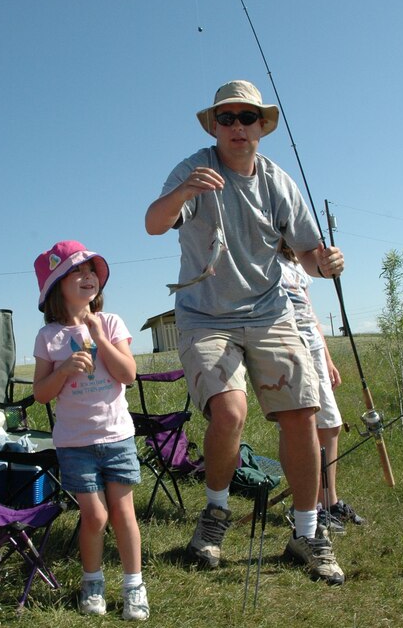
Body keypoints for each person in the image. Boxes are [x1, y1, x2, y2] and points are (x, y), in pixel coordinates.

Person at [145, 79, 346, 585]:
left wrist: (326, 263)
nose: (237, 126)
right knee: (230, 411)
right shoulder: (194, 169)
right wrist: (185, 190)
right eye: (226, 117)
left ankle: (306, 532)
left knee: (302, 413)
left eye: (247, 117)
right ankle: (215, 515)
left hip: (270, 312)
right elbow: (153, 222)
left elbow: (307, 253)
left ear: (262, 126)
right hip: (205, 315)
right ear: (214, 125)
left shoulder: (279, 182)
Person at [32, 240, 149, 620]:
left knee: (123, 512)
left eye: (91, 271)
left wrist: (99, 337)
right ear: (56, 287)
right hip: (75, 443)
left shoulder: (111, 322)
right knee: (95, 517)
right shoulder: (49, 336)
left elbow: (128, 375)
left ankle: (134, 585)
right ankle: (92, 581)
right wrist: (63, 371)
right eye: (76, 272)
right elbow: (40, 395)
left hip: (116, 436)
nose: (87, 277)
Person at [277, 241, 365, 530]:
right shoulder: (262, 258)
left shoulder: (298, 264)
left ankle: (330, 501)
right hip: (284, 345)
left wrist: (326, 357)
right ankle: (306, 504)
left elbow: (311, 315)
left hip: (313, 346)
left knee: (330, 425)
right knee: (297, 427)